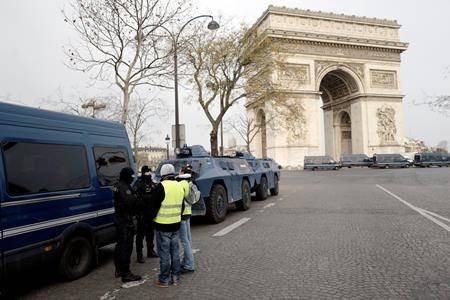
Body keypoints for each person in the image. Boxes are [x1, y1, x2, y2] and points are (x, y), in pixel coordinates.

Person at [148, 164, 189, 288]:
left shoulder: (161, 187)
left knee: (164, 254)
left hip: (162, 226)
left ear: (163, 174)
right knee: (175, 253)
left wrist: (152, 219)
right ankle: (176, 277)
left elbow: (153, 207)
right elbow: (182, 206)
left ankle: (164, 279)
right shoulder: (179, 185)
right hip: (176, 225)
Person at [113, 167, 142, 283]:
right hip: (124, 221)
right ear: (126, 176)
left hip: (120, 219)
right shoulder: (123, 187)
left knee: (120, 245)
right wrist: (137, 197)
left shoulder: (118, 185)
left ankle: (119, 269)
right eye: (131, 177)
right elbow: (130, 202)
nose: (132, 179)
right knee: (126, 247)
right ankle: (126, 273)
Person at [177, 164, 200, 273]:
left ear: (182, 173)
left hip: (182, 214)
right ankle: (186, 261)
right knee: (188, 239)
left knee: (184, 240)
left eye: (180, 171)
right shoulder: (190, 183)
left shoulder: (182, 184)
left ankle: (189, 264)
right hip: (188, 212)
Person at [134, 165, 158, 263]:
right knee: (140, 235)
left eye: (149, 172)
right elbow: (135, 197)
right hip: (141, 214)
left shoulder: (152, 183)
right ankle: (139, 255)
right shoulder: (138, 183)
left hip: (150, 213)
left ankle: (150, 251)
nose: (148, 174)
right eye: (147, 172)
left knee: (150, 233)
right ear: (143, 173)